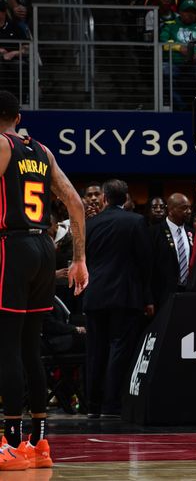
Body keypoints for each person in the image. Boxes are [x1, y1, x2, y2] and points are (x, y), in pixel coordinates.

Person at [0, 90, 88, 469]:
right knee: (30, 347)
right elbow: (76, 203)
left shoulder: (0, 145)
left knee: (7, 346)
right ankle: (39, 443)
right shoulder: (41, 151)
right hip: (43, 249)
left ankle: (10, 441)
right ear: (18, 117)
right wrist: (81, 259)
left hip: (12, 247)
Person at [84, 179, 152, 420]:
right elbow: (145, 262)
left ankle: (92, 404)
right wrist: (148, 297)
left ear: (104, 198)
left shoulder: (89, 224)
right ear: (125, 198)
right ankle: (111, 405)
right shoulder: (135, 221)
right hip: (124, 295)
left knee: (95, 351)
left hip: (94, 294)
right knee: (118, 349)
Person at [149, 192, 193, 314]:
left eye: (189, 208)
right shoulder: (154, 233)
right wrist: (148, 299)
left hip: (187, 294)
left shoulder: (191, 233)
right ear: (171, 210)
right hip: (162, 296)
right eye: (184, 208)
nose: (189, 211)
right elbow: (147, 268)